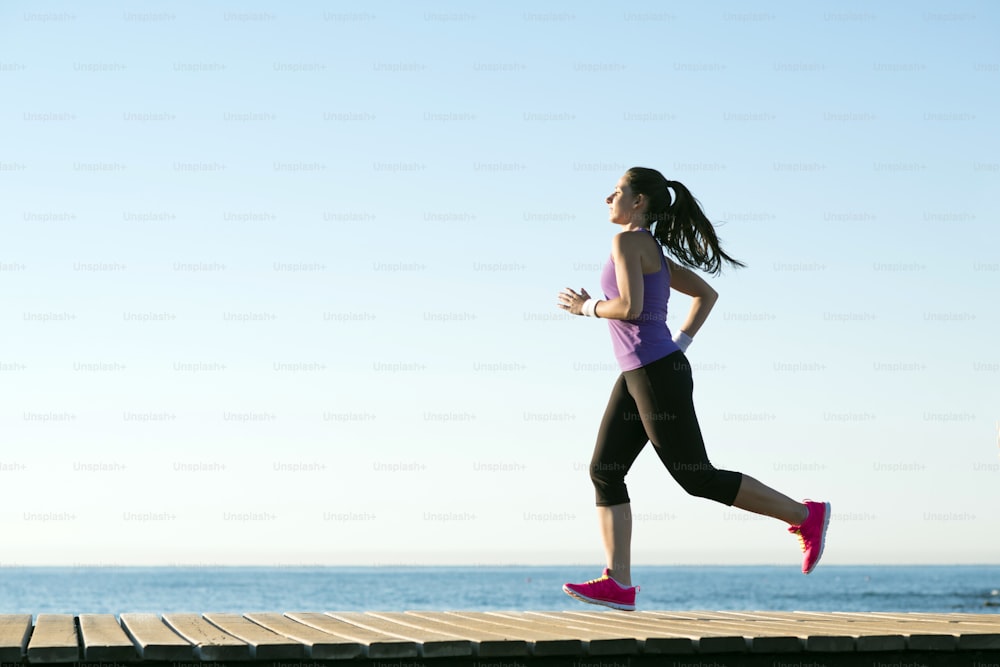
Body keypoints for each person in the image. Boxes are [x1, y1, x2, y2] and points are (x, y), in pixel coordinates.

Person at [556, 167, 830, 611]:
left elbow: (630, 307)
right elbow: (706, 294)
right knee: (605, 468)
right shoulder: (652, 251)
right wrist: (678, 345)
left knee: (695, 476)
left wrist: (585, 307)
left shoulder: (627, 242)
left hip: (654, 373)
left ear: (639, 201)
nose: (608, 198)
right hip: (643, 372)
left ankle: (805, 515)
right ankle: (618, 583)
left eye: (618, 191)